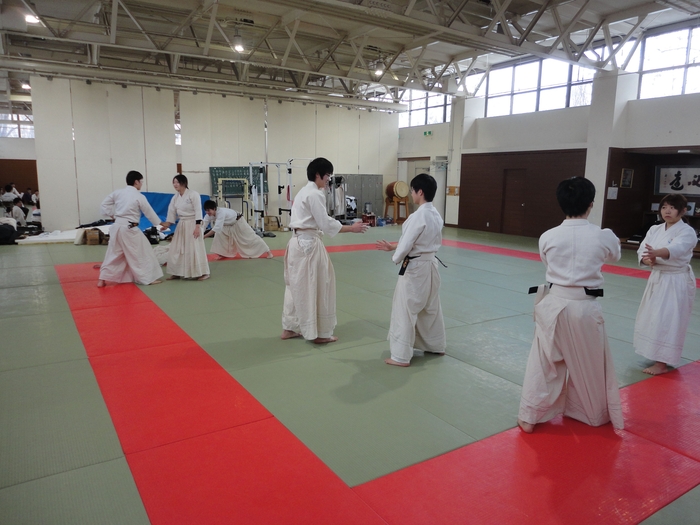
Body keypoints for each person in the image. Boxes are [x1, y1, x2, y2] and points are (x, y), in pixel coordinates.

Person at [517, 177, 624, 433]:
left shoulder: (548, 236)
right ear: (591, 204)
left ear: (561, 203)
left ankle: (530, 416)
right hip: (585, 308)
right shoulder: (603, 236)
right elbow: (615, 256)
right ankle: (591, 414)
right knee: (590, 364)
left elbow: (547, 263)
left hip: (553, 304)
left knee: (543, 363)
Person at [281, 157, 368, 344]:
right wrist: (351, 228)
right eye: (327, 175)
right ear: (318, 175)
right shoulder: (315, 194)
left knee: (295, 286)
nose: (329, 179)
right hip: (308, 245)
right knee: (319, 285)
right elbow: (325, 223)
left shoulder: (303, 192)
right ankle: (320, 333)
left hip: (296, 243)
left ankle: (290, 327)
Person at [376, 173, 446, 366]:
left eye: (413, 190)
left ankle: (400, 356)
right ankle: (436, 345)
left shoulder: (418, 216)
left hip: (416, 269)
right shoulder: (435, 214)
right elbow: (421, 241)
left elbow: (408, 243)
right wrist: (393, 246)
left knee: (405, 309)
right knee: (431, 308)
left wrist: (396, 256)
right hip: (431, 266)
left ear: (420, 192)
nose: (411, 194)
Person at [633, 194, 697, 375]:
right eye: (664, 207)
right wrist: (648, 260)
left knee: (668, 319)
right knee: (653, 316)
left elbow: (677, 248)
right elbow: (642, 249)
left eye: (672, 207)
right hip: (658, 277)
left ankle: (662, 363)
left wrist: (656, 253)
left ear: (683, 211)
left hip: (675, 280)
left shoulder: (687, 232)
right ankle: (654, 354)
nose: (667, 211)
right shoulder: (655, 229)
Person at [97, 170, 166, 288]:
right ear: (136, 182)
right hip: (129, 229)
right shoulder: (139, 196)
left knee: (113, 254)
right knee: (142, 252)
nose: (141, 184)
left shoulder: (118, 193)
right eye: (141, 181)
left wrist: (112, 215)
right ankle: (147, 278)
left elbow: (104, 204)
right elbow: (149, 212)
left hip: (117, 227)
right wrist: (159, 224)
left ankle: (102, 280)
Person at [161, 174, 210, 281]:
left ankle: (203, 272)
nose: (175, 184)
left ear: (184, 183)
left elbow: (198, 210)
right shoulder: (175, 197)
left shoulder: (193, 194)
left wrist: (197, 227)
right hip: (182, 224)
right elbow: (172, 212)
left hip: (193, 223)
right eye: (174, 182)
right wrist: (167, 224)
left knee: (194, 248)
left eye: (177, 182)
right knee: (177, 248)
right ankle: (177, 272)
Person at [202, 200, 273, 259]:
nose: (207, 212)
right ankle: (222, 254)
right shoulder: (208, 216)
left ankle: (268, 251)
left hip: (238, 222)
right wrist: (200, 234)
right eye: (206, 211)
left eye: (209, 210)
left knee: (250, 237)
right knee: (220, 236)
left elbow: (216, 229)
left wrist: (204, 236)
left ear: (214, 209)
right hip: (227, 225)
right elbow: (203, 225)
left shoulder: (221, 213)